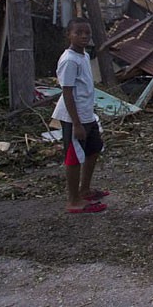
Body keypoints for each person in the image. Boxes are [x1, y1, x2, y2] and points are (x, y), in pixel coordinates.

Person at [52, 17, 109, 214]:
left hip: (87, 114)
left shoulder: (83, 56)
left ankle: (85, 189)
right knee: (74, 157)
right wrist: (76, 124)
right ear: (69, 35)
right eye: (79, 33)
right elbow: (67, 92)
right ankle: (74, 200)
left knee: (94, 149)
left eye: (87, 33)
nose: (84, 36)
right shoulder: (68, 60)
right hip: (72, 117)